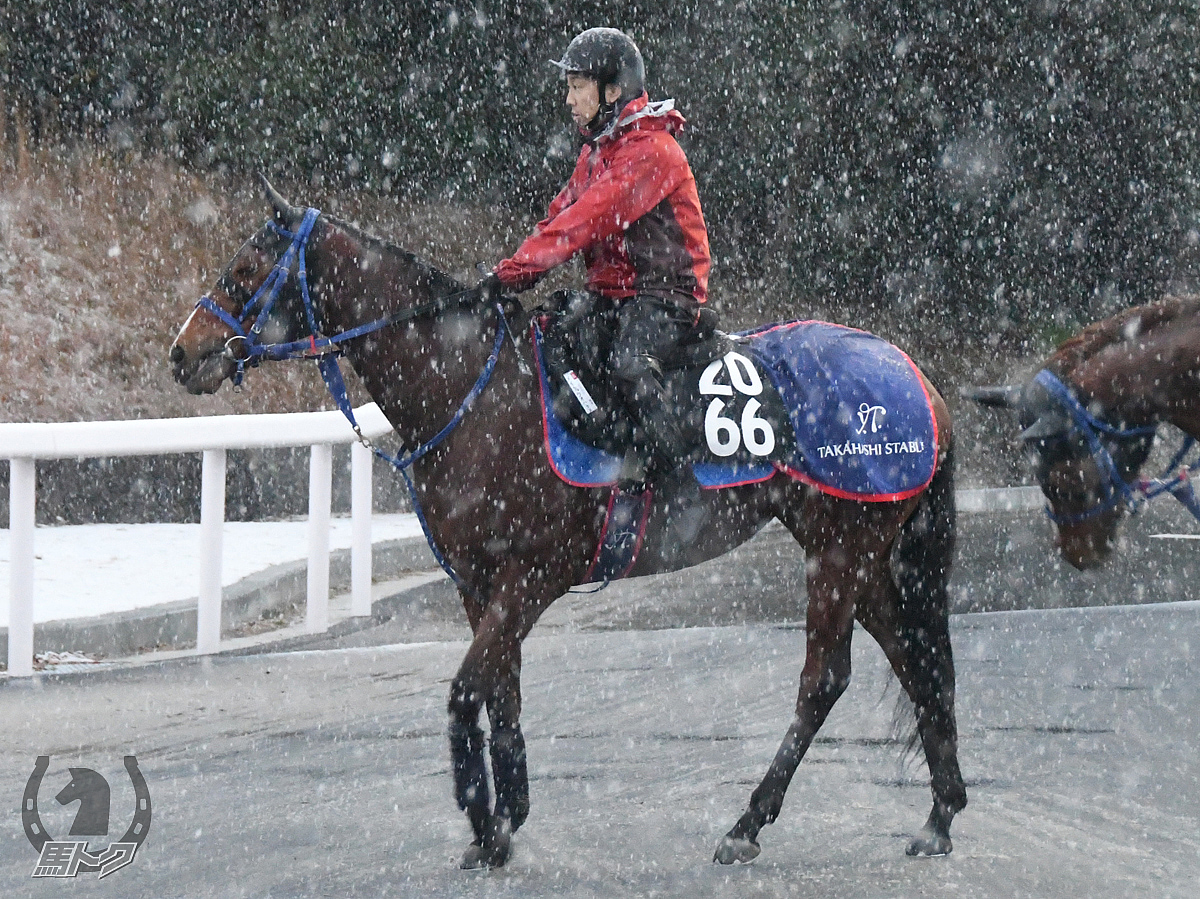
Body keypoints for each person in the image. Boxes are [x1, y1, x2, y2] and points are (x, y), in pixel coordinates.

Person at [481, 27, 713, 496]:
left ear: (612, 91)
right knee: (554, 335)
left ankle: (679, 484)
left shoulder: (652, 152)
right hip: (614, 294)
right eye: (568, 85)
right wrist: (507, 273)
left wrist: (513, 275)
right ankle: (620, 452)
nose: (568, 98)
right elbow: (558, 216)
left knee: (629, 365)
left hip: (666, 295)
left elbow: (582, 223)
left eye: (577, 85)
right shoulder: (597, 152)